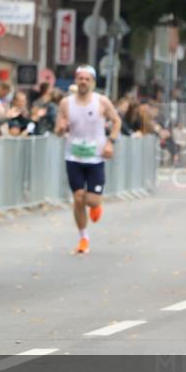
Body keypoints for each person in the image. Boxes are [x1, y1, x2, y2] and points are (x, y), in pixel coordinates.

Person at [55, 64, 122, 255]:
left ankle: (95, 205)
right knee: (77, 198)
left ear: (92, 82)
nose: (83, 82)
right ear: (76, 80)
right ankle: (83, 238)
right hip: (73, 156)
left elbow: (117, 121)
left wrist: (111, 142)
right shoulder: (66, 103)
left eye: (87, 79)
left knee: (91, 200)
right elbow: (58, 129)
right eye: (80, 78)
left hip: (95, 157)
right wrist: (61, 128)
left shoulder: (101, 102)